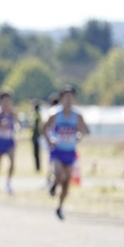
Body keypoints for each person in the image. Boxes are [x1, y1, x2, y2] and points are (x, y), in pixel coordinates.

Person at [44, 85, 89, 220]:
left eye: (71, 97)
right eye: (66, 97)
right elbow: (45, 128)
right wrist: (49, 141)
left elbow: (85, 130)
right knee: (58, 174)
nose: (68, 100)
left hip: (70, 151)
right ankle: (53, 184)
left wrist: (80, 135)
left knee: (67, 181)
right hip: (57, 150)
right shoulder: (55, 114)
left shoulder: (77, 115)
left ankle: (59, 207)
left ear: (74, 99)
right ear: (61, 98)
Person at [0, 90, 19, 195]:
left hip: (10, 141)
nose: (7, 103)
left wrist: (16, 128)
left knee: (12, 163)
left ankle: (8, 183)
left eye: (9, 101)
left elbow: (17, 125)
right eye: (5, 101)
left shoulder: (14, 113)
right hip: (0, 141)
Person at [31, 100, 43, 173]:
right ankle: (37, 167)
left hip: (37, 136)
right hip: (35, 136)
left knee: (37, 153)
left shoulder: (37, 115)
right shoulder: (36, 114)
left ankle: (38, 167)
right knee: (36, 153)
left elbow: (39, 126)